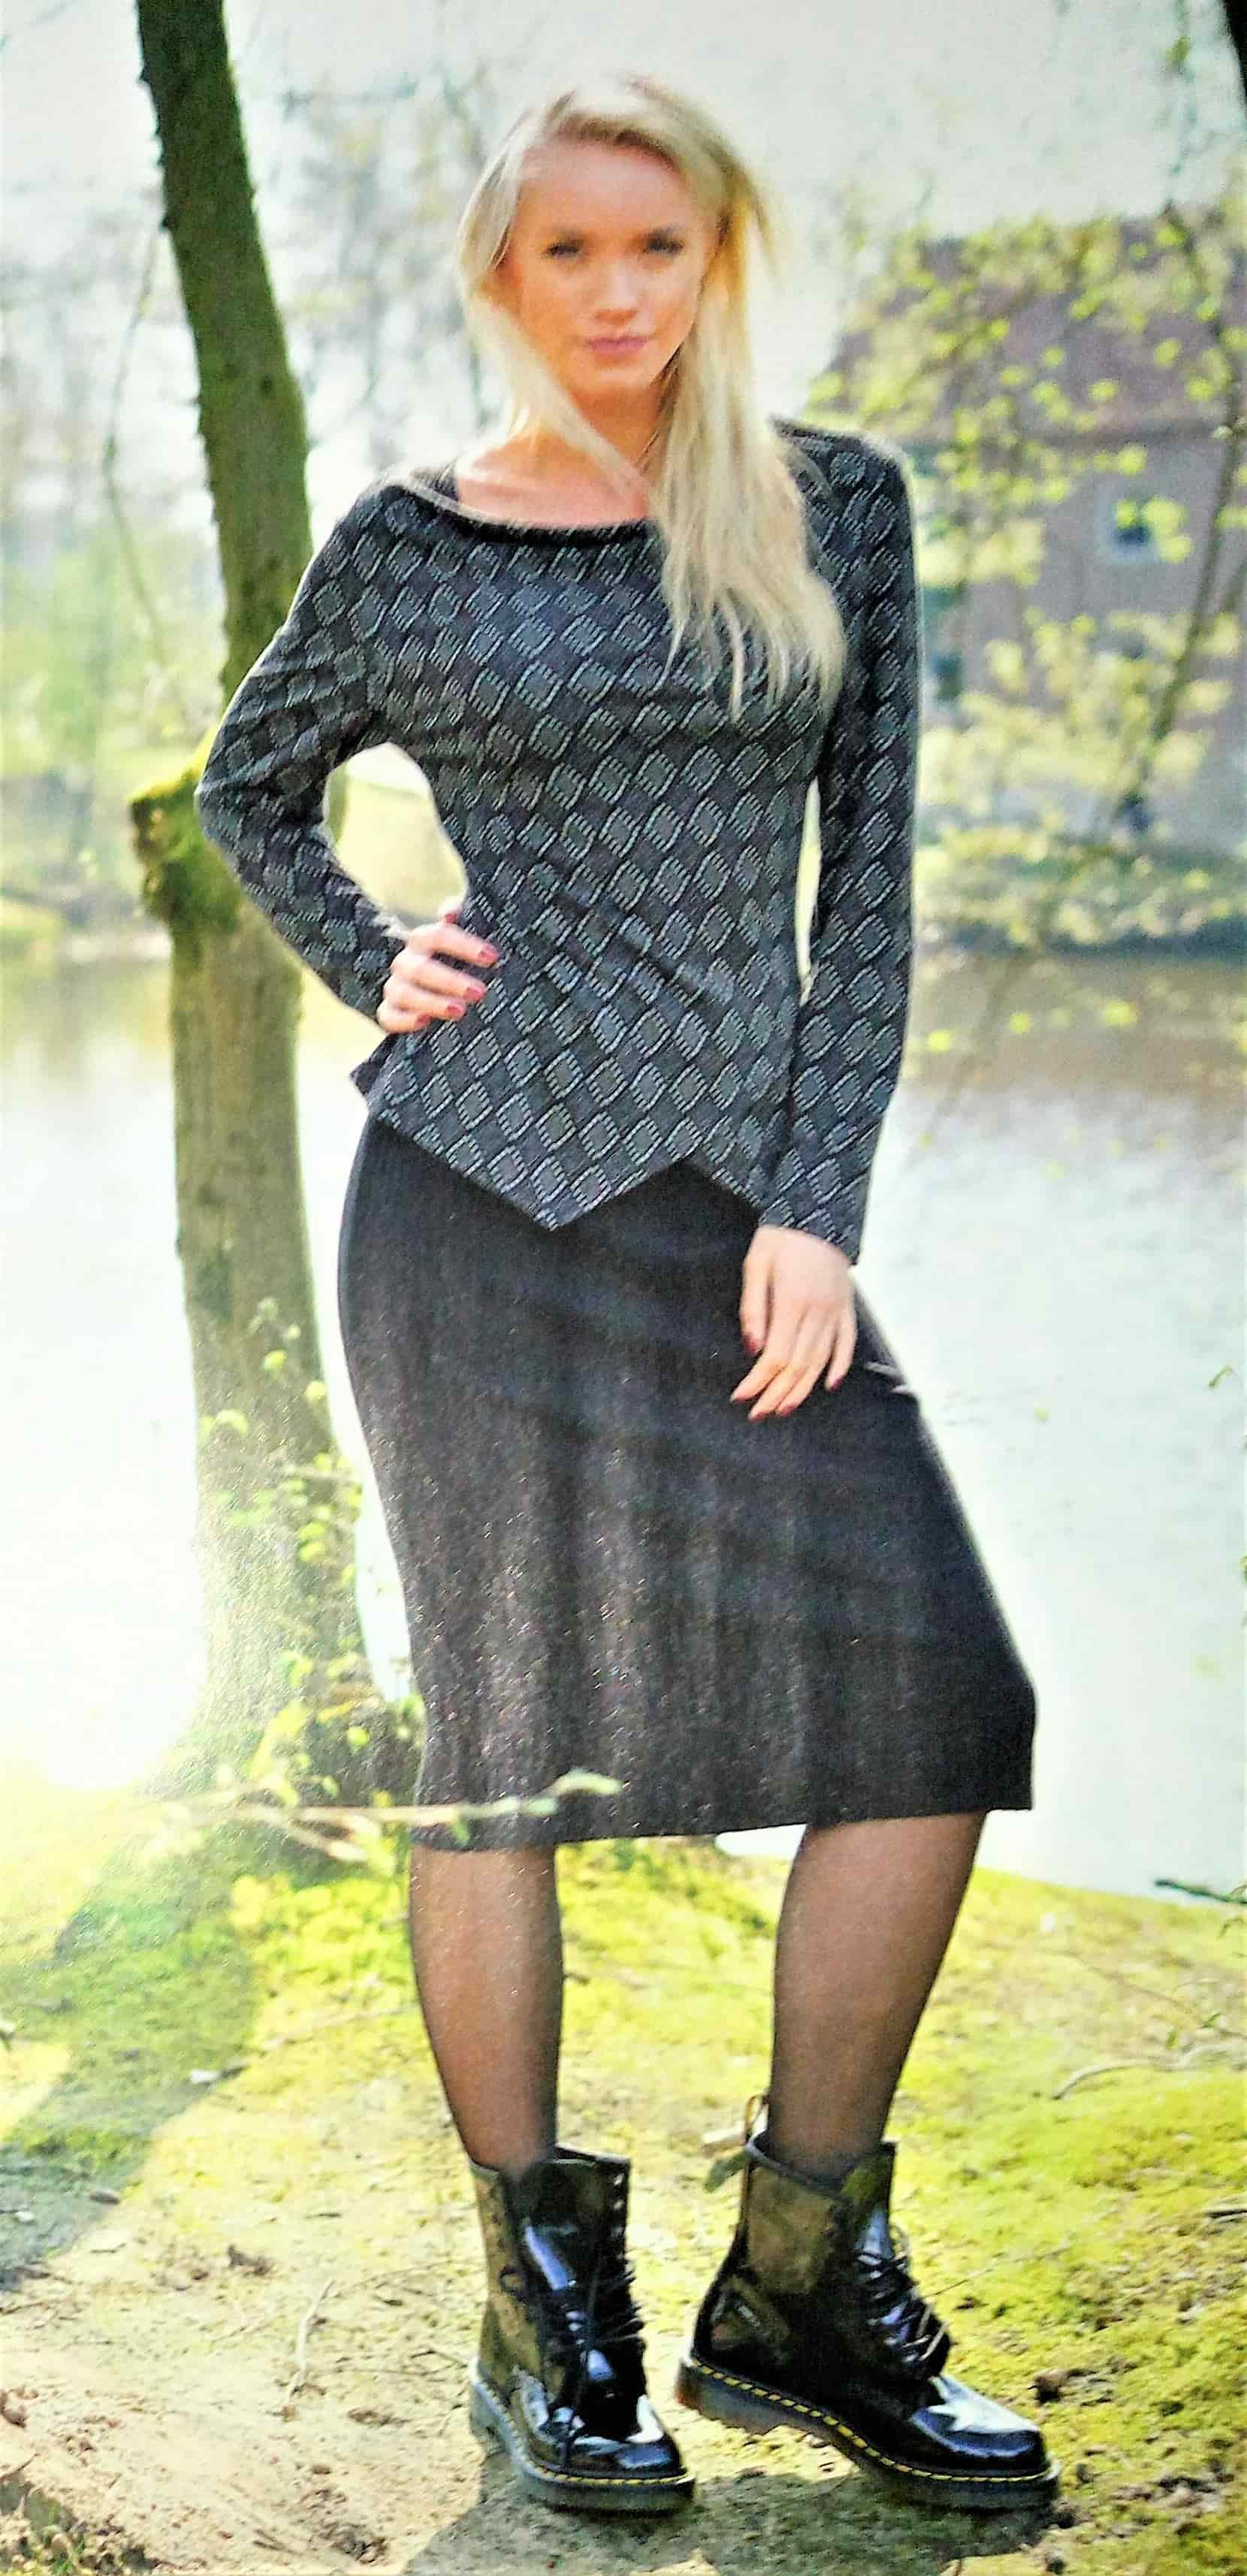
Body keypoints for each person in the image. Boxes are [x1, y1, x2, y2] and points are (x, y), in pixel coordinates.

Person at [195, 70, 1056, 2527]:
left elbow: (864, 891)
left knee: (935, 1701)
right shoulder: (406, 544)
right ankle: (542, 2304)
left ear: (714, 259)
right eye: (565, 249)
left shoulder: (832, 509)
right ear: (504, 275)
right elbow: (251, 785)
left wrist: (816, 1204)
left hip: (738, 1209)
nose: (613, 290)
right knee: (499, 1744)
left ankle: (800, 2278)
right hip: (472, 1204)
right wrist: (374, 950)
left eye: (654, 245)